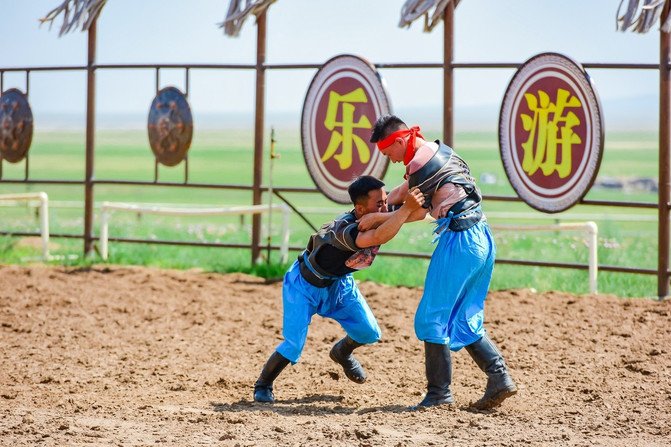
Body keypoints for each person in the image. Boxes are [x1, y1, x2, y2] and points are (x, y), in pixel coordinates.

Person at [365, 114, 517, 410]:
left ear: (399, 141)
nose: (390, 160)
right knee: (464, 315)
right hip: (482, 236)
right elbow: (405, 190)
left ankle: (439, 394)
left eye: (388, 153)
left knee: (430, 317)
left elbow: (416, 212)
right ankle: (499, 378)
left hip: (459, 240)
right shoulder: (438, 150)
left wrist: (377, 217)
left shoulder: (419, 165)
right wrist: (387, 203)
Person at [253, 175, 425, 403]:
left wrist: (414, 181)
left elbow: (418, 211)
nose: (385, 207)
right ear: (360, 208)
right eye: (379, 204)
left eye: (385, 201)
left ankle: (341, 352)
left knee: (369, 332)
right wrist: (403, 212)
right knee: (294, 344)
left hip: (339, 284)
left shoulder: (378, 212)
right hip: (304, 285)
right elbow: (379, 234)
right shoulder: (346, 231)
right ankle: (263, 385)